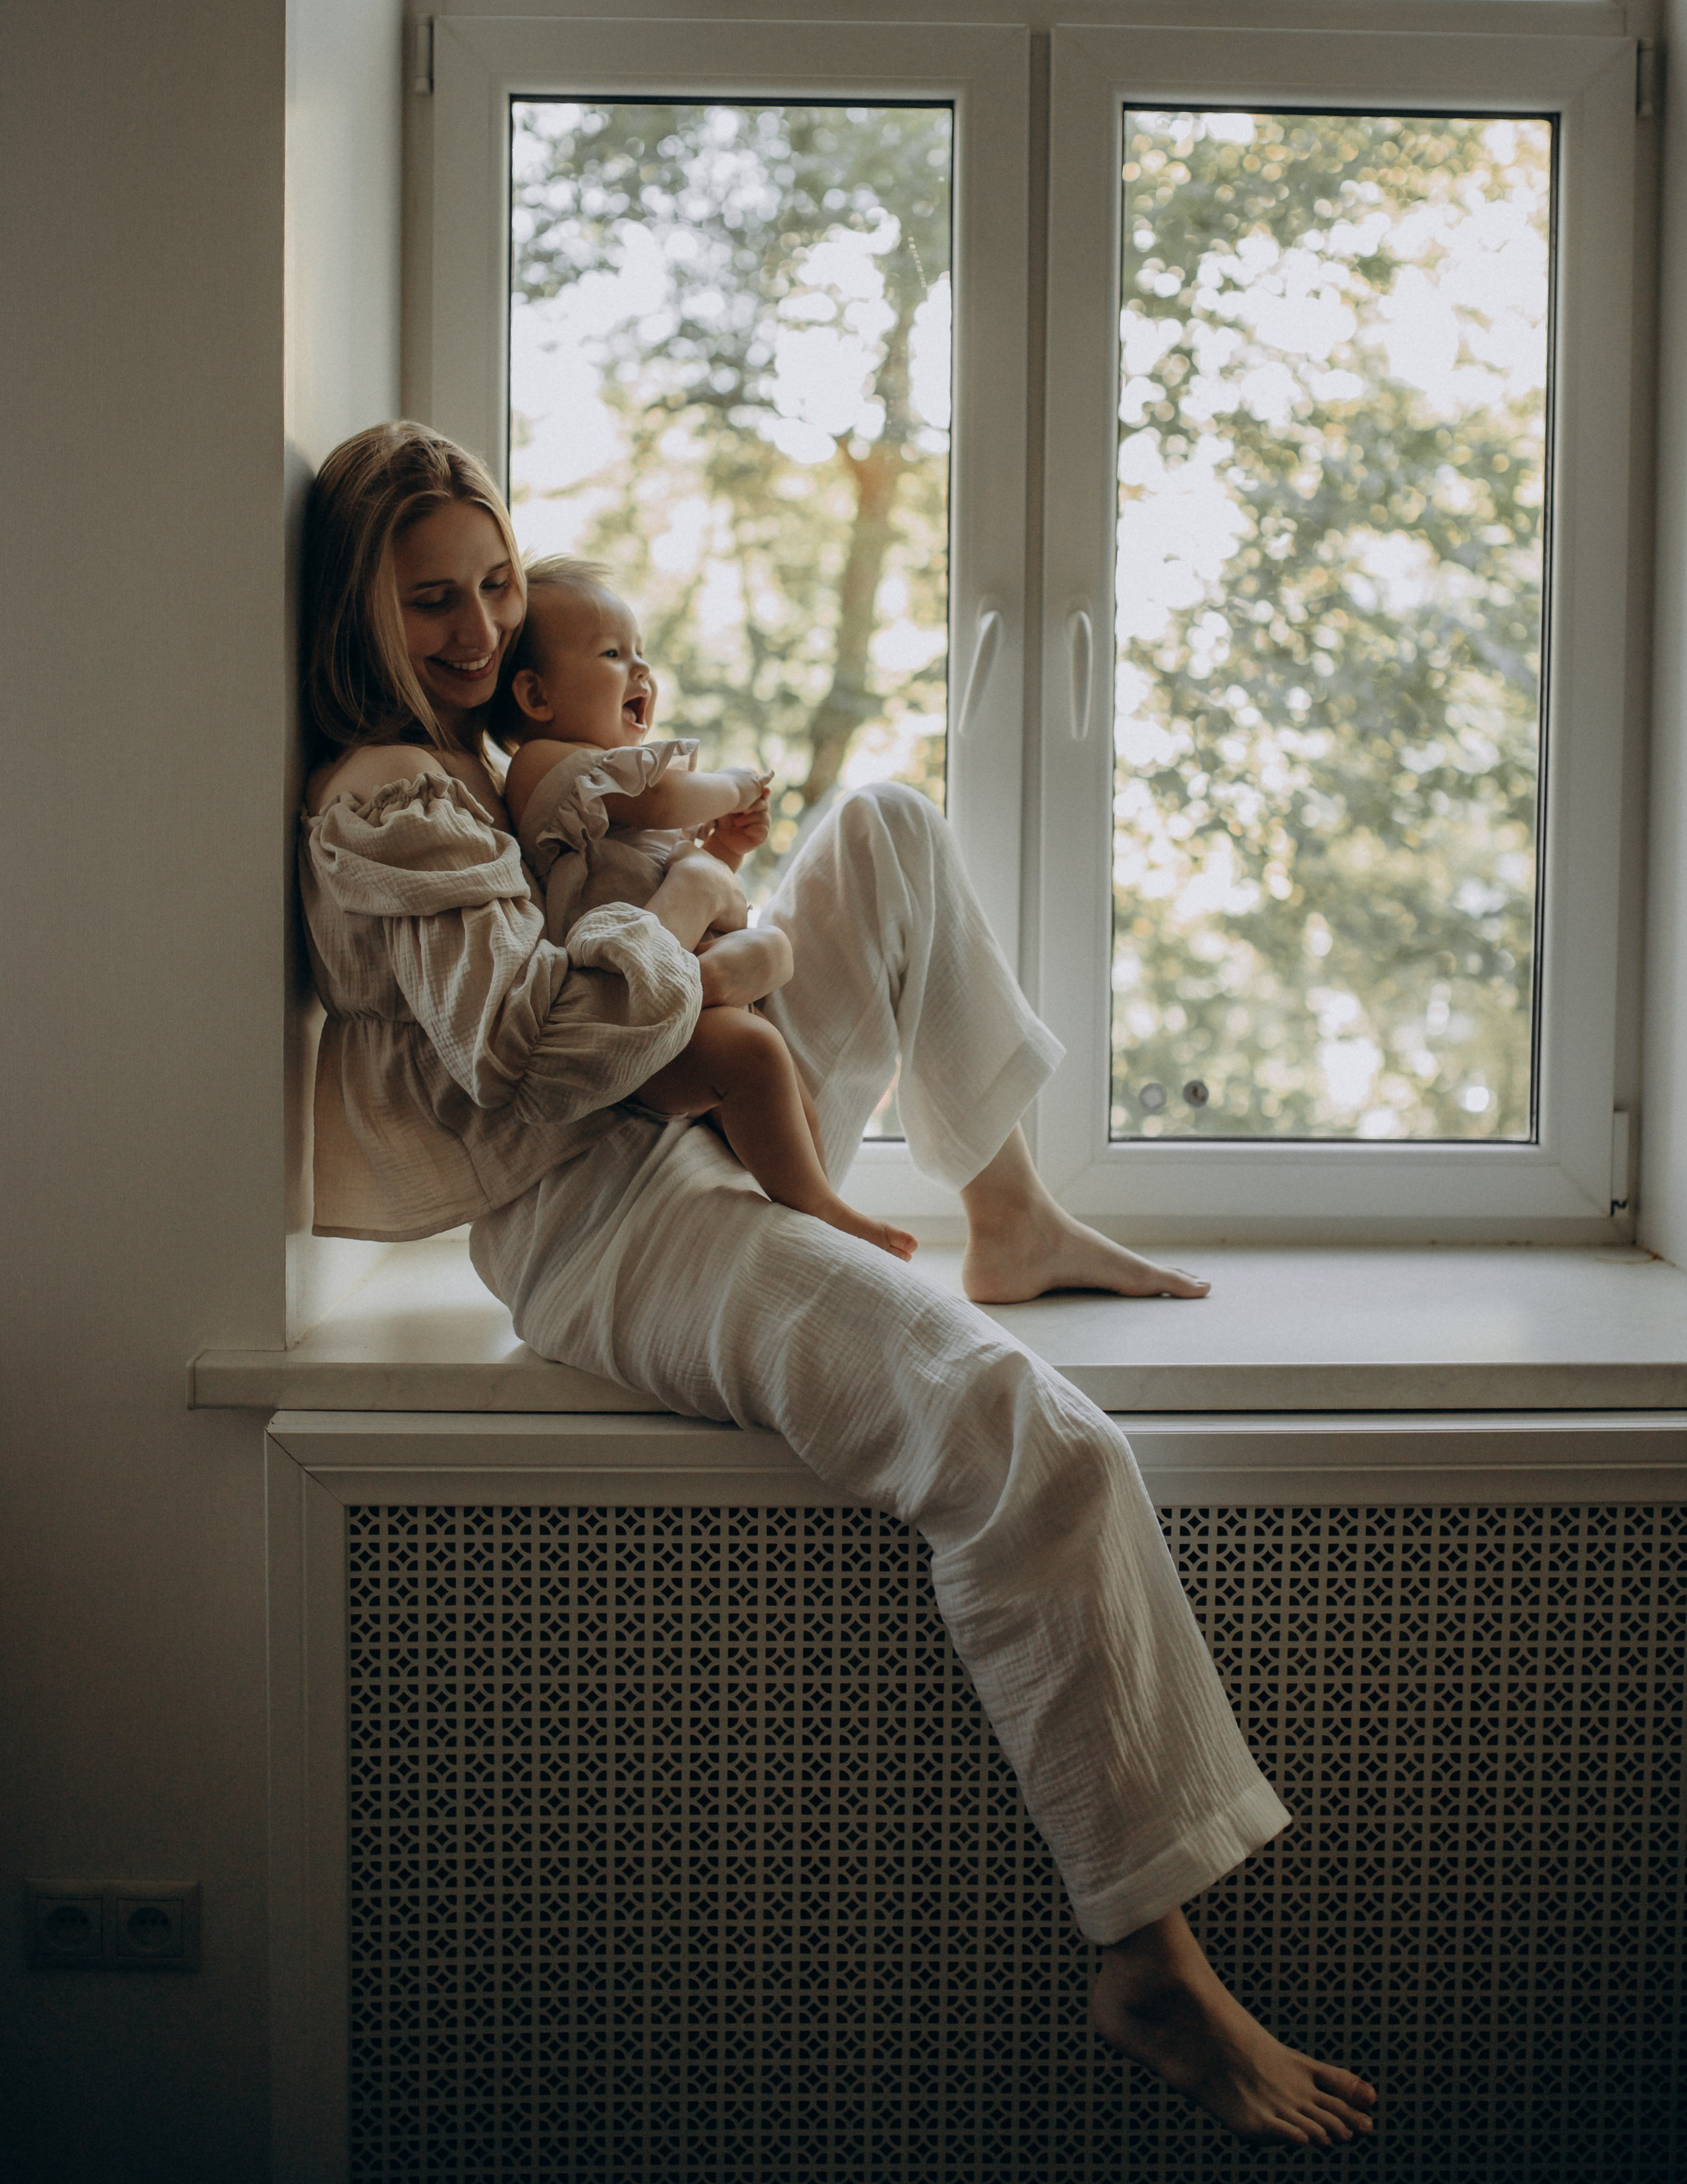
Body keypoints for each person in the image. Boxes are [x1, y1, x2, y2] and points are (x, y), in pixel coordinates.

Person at [298, 419, 1376, 2150]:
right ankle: (1147, 1955)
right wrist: (694, 910)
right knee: (1030, 1437)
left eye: (495, 585)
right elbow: (530, 1048)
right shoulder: (390, 796)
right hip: (600, 1217)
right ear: (359, 605)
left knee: (882, 824)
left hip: (683, 1113)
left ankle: (1010, 1215)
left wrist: (685, 885)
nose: (479, 629)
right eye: (431, 601)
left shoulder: (495, 757)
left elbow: (622, 953)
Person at [492, 554, 917, 1261]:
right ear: (536, 695)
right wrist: (734, 784)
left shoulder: (623, 812)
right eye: (612, 653)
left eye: (641, 652)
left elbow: (684, 883)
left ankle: (811, 1208)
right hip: (626, 1019)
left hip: (686, 997)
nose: (641, 669)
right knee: (754, 1053)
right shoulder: (544, 767)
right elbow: (661, 797)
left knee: (786, 1093)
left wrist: (726, 849)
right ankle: (818, 1206)